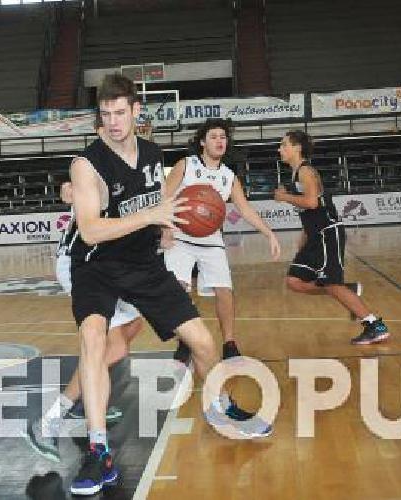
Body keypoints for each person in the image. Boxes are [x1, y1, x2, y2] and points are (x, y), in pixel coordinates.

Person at [65, 73, 271, 496]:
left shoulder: (153, 153)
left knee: (204, 343)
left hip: (142, 263)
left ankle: (217, 408)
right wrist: (150, 218)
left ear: (136, 111)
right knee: (94, 338)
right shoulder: (86, 163)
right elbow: (89, 230)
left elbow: (155, 203)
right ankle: (98, 450)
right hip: (96, 264)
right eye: (105, 114)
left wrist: (167, 228)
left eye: (120, 113)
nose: (113, 122)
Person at [23, 180, 141, 463]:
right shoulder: (98, 167)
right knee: (113, 347)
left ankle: (83, 402)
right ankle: (49, 420)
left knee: (134, 325)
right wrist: (69, 189)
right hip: (81, 263)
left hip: (111, 263)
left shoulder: (139, 168)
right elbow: (72, 186)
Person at [161, 118, 282, 363]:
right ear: (203, 142)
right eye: (214, 137)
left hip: (210, 238)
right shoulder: (186, 165)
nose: (220, 141)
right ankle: (184, 341)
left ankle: (229, 343)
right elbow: (164, 196)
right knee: (179, 291)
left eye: (223, 137)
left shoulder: (229, 176)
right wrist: (164, 228)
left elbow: (245, 209)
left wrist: (269, 233)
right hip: (180, 237)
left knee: (225, 291)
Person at [273, 130, 388, 345]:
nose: (280, 149)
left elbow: (312, 203)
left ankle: (375, 325)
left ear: (297, 148)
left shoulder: (306, 171)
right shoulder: (296, 173)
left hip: (328, 233)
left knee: (333, 284)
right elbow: (309, 212)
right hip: (315, 235)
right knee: (294, 281)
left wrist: (284, 197)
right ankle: (348, 290)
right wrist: (304, 240)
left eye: (284, 144)